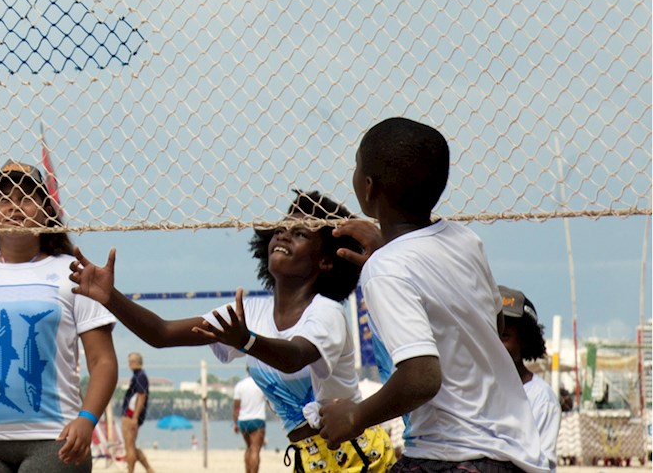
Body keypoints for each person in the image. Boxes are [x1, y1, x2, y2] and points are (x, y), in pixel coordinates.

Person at [71, 190, 395, 473]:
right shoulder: (250, 312)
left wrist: (247, 341)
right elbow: (163, 333)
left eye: (300, 233)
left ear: (326, 261)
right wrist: (110, 297)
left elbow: (294, 357)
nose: (282, 235)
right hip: (309, 460)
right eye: (281, 229)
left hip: (360, 458)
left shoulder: (327, 312)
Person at [316, 117, 549, 473]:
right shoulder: (465, 239)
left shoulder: (386, 269)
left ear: (367, 187)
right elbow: (493, 320)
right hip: (514, 453)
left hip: (451, 456)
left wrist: (354, 416)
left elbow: (422, 377)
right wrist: (389, 253)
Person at [0, 160, 119, 472]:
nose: (15, 207)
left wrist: (87, 419)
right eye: (3, 199)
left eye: (26, 198)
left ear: (46, 210)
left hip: (55, 441)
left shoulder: (72, 272)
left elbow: (103, 361)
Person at [498, 286, 560, 470]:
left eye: (504, 336)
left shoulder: (541, 399)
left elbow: (542, 464)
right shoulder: (474, 388)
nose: (496, 344)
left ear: (525, 340)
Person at [116, 354, 155, 473]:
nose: (129, 364)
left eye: (131, 361)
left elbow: (141, 396)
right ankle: (149, 469)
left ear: (136, 362)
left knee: (129, 446)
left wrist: (135, 417)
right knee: (131, 446)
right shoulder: (138, 376)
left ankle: (132, 470)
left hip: (130, 415)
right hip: (130, 414)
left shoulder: (141, 376)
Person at [232, 373, 268, 473]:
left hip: (243, 421)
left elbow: (236, 408)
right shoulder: (260, 384)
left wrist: (235, 423)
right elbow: (269, 401)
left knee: (249, 448)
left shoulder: (240, 385)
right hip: (257, 419)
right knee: (255, 449)